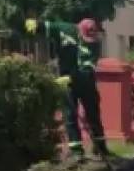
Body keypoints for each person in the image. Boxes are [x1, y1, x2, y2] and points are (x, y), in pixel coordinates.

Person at [26, 17, 111, 162]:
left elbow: (87, 69)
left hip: (86, 83)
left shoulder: (94, 45)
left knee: (93, 115)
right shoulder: (65, 29)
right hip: (66, 83)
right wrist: (35, 24)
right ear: (79, 30)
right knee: (70, 116)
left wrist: (70, 78)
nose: (88, 40)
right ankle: (77, 151)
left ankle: (100, 148)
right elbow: (49, 26)